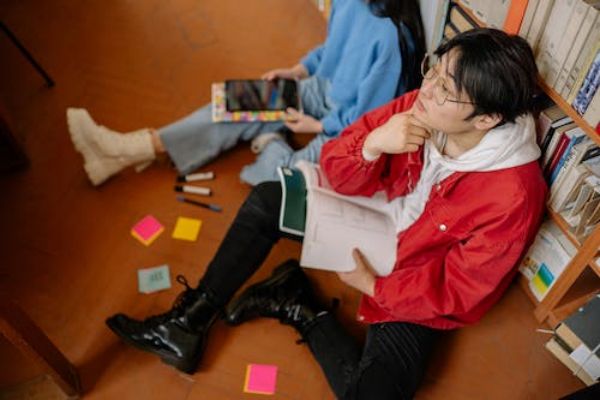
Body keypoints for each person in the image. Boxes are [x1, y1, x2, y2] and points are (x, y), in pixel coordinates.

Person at [106, 28, 547, 399]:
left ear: (486, 119)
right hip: (338, 152)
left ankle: (301, 306)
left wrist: (376, 286)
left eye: (446, 89)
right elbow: (335, 144)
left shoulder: (513, 194)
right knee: (263, 183)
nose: (427, 89)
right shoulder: (421, 100)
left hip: (411, 267)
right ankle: (186, 323)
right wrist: (371, 143)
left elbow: (461, 290)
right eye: (432, 71)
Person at [66, 0, 425, 186]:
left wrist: (316, 126)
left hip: (348, 130)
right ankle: (129, 150)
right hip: (319, 91)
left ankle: (272, 142)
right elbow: (331, 51)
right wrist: (297, 71)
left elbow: (367, 118)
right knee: (236, 100)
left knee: (284, 180)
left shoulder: (393, 39)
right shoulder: (350, 3)